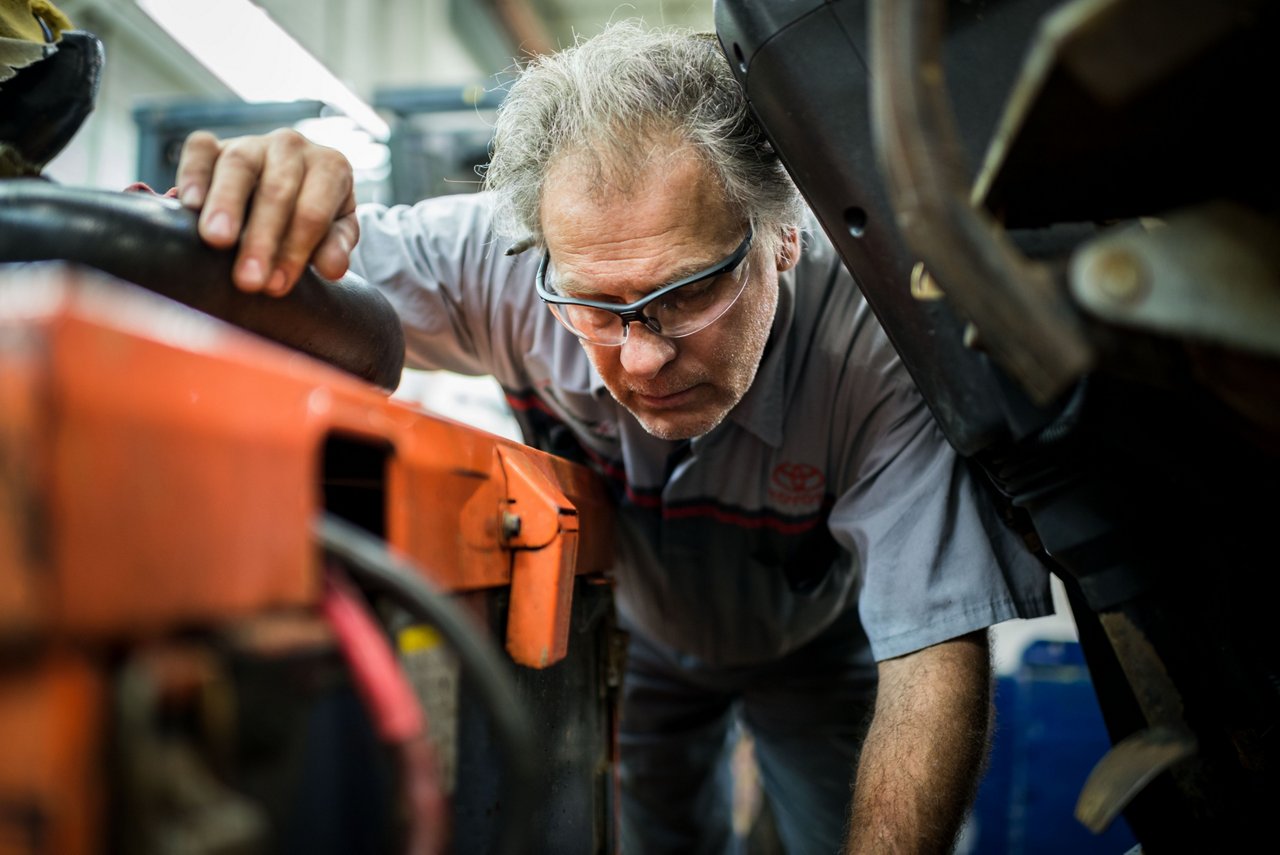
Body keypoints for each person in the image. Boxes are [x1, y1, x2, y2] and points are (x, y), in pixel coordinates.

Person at [177, 22, 1053, 854]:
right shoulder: (508, 260)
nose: (641, 357)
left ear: (782, 236)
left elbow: (933, 652)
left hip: (812, 653)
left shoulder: (877, 342)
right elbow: (284, 273)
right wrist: (255, 213)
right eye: (596, 307)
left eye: (682, 294)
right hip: (643, 644)